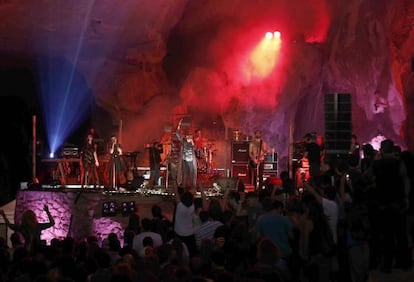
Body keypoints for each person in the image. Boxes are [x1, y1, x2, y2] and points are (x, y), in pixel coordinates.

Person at [175, 119, 197, 190]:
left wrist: (192, 142)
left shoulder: (192, 143)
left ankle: (192, 188)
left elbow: (195, 148)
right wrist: (179, 125)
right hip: (184, 159)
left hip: (191, 160)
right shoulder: (183, 141)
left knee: (191, 174)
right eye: (187, 136)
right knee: (184, 174)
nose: (188, 137)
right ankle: (183, 188)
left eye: (189, 136)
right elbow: (177, 133)